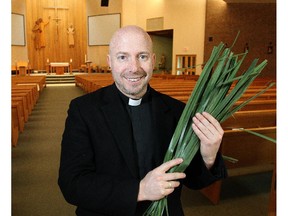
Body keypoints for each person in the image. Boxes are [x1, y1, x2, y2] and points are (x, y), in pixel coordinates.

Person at [58, 25, 227, 216]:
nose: (134, 68)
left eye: (142, 56)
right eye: (123, 57)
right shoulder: (84, 110)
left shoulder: (177, 110)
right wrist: (140, 190)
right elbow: (72, 183)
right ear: (110, 62)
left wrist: (209, 156)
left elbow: (194, 181)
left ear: (153, 61)